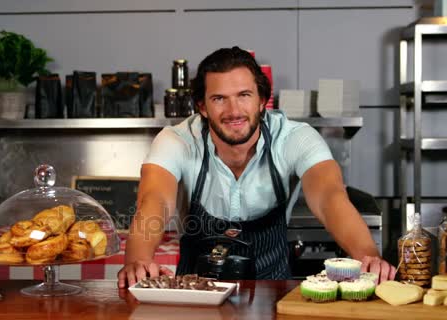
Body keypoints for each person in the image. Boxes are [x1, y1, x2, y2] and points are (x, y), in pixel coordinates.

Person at [117, 46, 396, 288]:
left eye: (244, 95)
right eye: (219, 99)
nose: (233, 110)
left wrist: (366, 255)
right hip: (194, 295)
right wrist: (139, 260)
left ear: (262, 100)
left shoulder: (295, 138)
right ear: (202, 107)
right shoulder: (176, 140)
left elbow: (329, 197)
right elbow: (154, 200)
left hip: (272, 292)